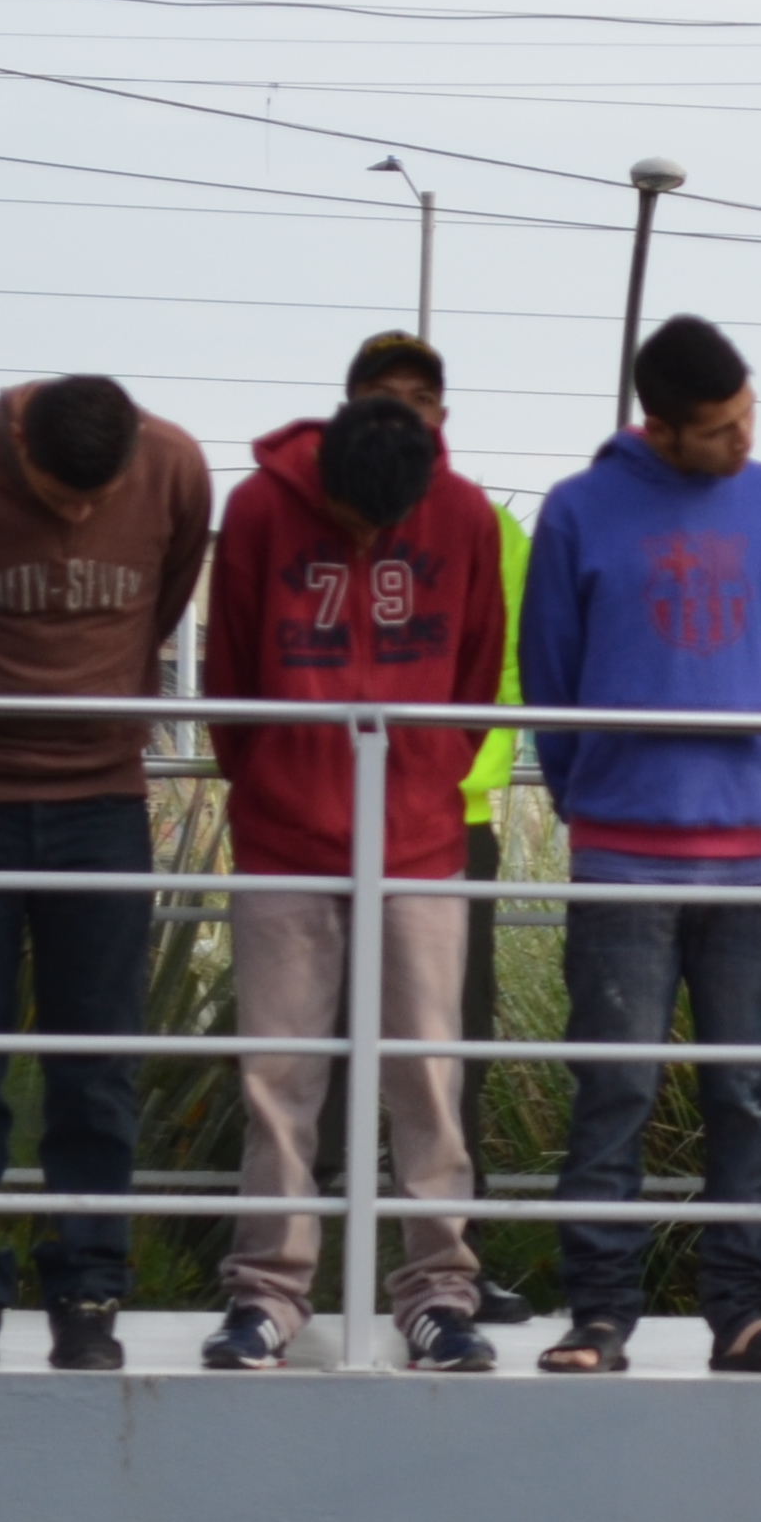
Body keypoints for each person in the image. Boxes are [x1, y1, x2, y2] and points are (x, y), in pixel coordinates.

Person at [0, 374, 213, 1371]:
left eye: (101, 499)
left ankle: (89, 1287)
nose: (83, 517)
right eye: (63, 499)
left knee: (98, 1063)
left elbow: (165, 598)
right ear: (21, 451)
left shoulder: (178, 468)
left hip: (103, 804)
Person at [522, 316, 761, 1376]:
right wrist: (591, 800)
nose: (742, 441)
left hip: (754, 852)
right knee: (614, 1090)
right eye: (719, 430)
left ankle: (745, 1313)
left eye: (749, 417)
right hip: (621, 853)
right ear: (660, 427)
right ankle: (599, 1313)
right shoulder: (576, 511)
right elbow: (547, 684)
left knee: (747, 1091)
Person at [202, 392, 506, 1370]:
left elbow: (478, 665)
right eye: (351, 521)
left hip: (418, 839)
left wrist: (431, 776)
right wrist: (274, 786)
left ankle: (438, 1291)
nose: (369, 535)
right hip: (286, 840)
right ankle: (268, 1293)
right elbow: (227, 671)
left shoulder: (461, 514)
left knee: (426, 1072)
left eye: (387, 523)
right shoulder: (256, 508)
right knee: (278, 1077)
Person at [324, 334, 538, 1323]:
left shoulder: (487, 528)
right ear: (349, 407)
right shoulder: (294, 515)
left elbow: (504, 677)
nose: (406, 412)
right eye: (384, 395)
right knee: (319, 1059)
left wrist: (446, 779)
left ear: (444, 413)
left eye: (422, 396)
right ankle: (321, 1273)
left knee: (451, 1057)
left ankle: (452, 1266)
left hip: (450, 828)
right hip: (318, 832)